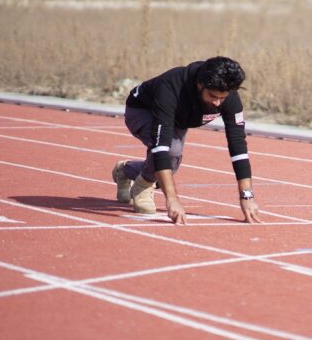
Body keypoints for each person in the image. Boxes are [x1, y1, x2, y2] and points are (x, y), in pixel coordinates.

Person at [111, 56, 261, 225]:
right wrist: (172, 199)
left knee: (171, 164)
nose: (217, 103)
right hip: (142, 110)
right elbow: (160, 147)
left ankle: (125, 170)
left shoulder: (229, 97)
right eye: (212, 96)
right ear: (200, 85)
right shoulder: (170, 87)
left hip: (179, 118)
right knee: (170, 152)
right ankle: (142, 187)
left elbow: (238, 144)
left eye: (222, 98)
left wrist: (246, 195)